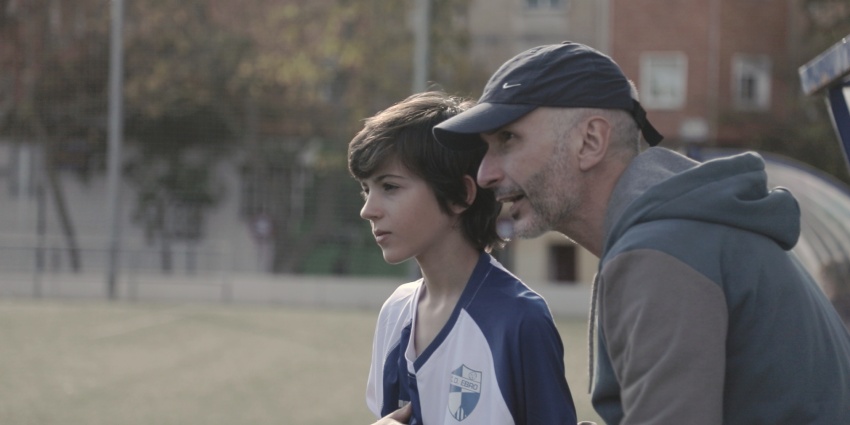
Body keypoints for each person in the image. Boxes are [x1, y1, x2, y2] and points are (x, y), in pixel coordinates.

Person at [432, 41, 850, 424]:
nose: (485, 174)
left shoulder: (661, 253)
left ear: (590, 141)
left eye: (508, 139)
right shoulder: (683, 232)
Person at [348, 91, 578, 425]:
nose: (368, 210)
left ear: (461, 194)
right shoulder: (395, 313)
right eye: (366, 190)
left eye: (390, 187)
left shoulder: (520, 320)